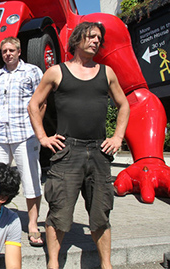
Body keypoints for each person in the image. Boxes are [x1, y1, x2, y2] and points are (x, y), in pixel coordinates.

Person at [28, 21, 130, 269]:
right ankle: (53, 263)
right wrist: (43, 137)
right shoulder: (56, 72)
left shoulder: (107, 73)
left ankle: (106, 265)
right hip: (67, 152)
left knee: (100, 213)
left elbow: (124, 105)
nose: (95, 41)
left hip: (99, 152)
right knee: (59, 212)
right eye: (90, 36)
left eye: (98, 38)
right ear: (76, 40)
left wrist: (117, 137)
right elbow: (33, 105)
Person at [0, 36, 44, 247]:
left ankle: (32, 224)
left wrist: (38, 129)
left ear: (19, 51)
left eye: (11, 50)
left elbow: (42, 102)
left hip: (25, 134)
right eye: (4, 51)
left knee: (31, 179)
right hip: (0, 135)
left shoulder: (32, 71)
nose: (8, 54)